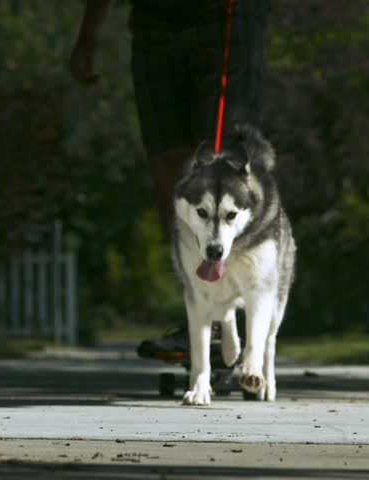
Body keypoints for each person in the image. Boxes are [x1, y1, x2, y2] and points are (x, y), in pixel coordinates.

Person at [70, 0, 269, 353]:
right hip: (155, 24)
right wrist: (88, 34)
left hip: (223, 20)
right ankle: (200, 313)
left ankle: (227, 318)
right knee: (170, 167)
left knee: (216, 158)